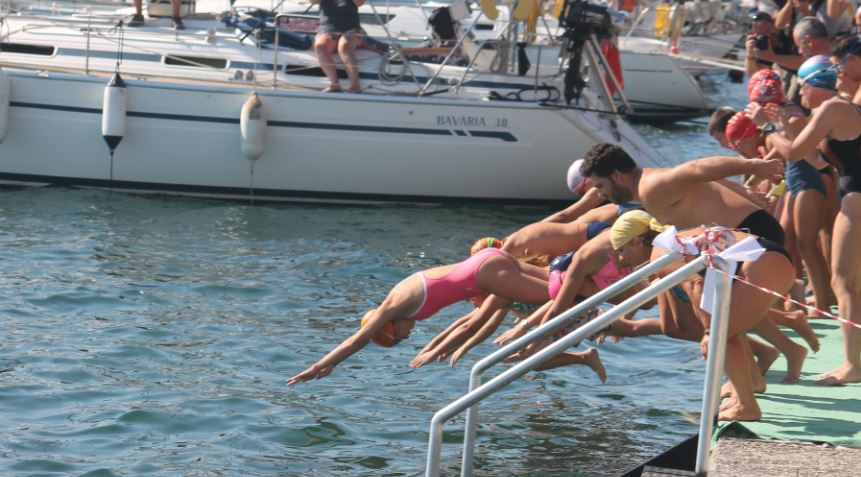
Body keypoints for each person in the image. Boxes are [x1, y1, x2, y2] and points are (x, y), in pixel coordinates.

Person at [578, 143, 795, 421]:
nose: (600, 194)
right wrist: (745, 193)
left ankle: (748, 396)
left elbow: (697, 168)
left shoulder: (650, 187)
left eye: (600, 186)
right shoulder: (649, 197)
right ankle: (748, 385)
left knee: (720, 329)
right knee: (723, 324)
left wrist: (753, 166)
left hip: (752, 238)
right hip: (735, 245)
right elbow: (707, 181)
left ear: (617, 175)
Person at [287, 247, 555, 384]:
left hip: (485, 273)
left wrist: (320, 367)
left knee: (564, 296)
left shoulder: (394, 306)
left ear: (389, 327)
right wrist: (435, 348)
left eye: (398, 339)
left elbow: (357, 340)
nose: (406, 337)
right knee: (561, 281)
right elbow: (463, 323)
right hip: (487, 262)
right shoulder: (401, 298)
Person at [763, 35, 861, 385]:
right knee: (851, 283)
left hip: (856, 200)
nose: (837, 71)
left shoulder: (835, 108)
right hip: (853, 195)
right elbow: (819, 160)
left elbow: (792, 153)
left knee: (844, 282)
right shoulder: (848, 108)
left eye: (840, 65)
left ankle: (854, 366)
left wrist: (772, 130)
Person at [310, 0, 365, 93]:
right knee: (320, 46)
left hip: (351, 28)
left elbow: (360, 3)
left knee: (345, 46)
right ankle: (334, 84)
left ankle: (355, 86)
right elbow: (313, 1)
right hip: (328, 29)